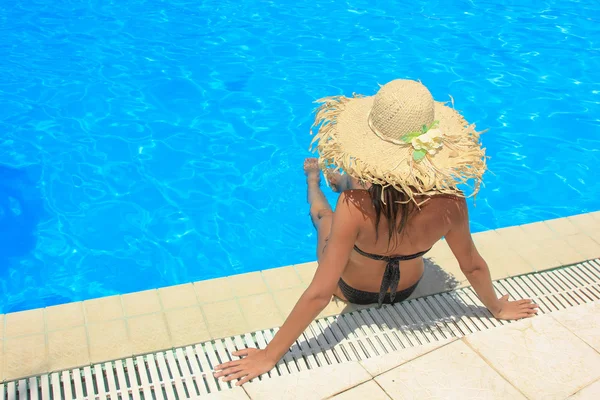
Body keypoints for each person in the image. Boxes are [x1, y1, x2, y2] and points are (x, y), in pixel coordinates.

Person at [214, 79, 538, 385]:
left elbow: (320, 293)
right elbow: (473, 265)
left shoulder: (353, 206)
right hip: (409, 287)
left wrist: (270, 356)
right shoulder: (451, 202)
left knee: (323, 216)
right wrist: (497, 307)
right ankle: (339, 179)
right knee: (369, 191)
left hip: (352, 291)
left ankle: (316, 180)